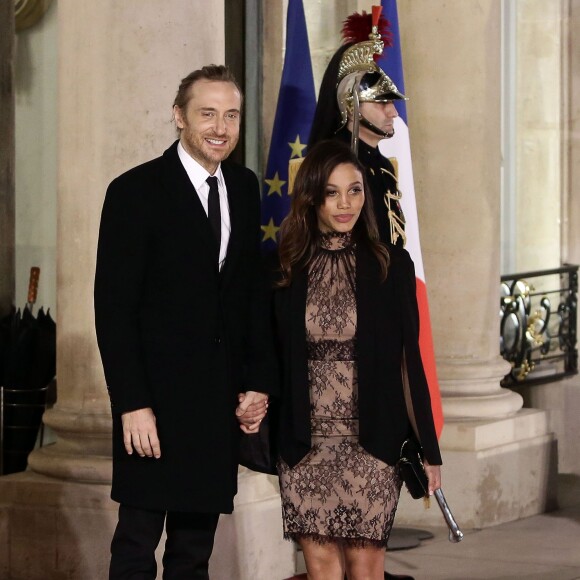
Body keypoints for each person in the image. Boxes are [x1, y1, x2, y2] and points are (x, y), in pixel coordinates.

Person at [94, 65, 277, 579]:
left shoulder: (242, 187)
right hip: (153, 405)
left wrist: (257, 383)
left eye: (232, 115)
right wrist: (131, 403)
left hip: (214, 405)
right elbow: (114, 310)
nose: (221, 127)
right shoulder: (134, 191)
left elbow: (248, 297)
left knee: (193, 553)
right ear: (179, 117)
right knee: (136, 544)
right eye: (207, 114)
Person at [271, 140, 442, 580]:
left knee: (366, 571)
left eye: (355, 190)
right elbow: (271, 356)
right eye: (332, 192)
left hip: (373, 445)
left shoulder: (391, 265)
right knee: (321, 568)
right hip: (305, 447)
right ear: (311, 196)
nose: (345, 203)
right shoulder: (284, 268)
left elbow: (411, 363)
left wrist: (429, 447)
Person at [308, 9, 407, 248]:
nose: (393, 113)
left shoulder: (382, 165)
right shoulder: (334, 163)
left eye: (391, 103)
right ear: (351, 106)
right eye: (382, 103)